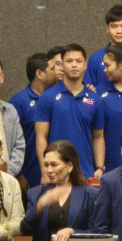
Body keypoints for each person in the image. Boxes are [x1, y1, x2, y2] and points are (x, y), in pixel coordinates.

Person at [33, 44, 105, 180]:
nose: (74, 65)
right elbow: (41, 136)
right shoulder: (47, 97)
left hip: (86, 173)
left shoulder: (96, 99)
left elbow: (98, 136)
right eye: (69, 61)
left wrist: (100, 168)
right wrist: (44, 170)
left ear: (85, 65)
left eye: (78, 61)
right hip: (55, 173)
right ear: (62, 65)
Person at [20, 141, 97, 241]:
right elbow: (25, 230)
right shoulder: (36, 193)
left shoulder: (89, 194)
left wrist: (73, 231)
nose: (49, 170)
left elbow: (97, 232)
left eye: (54, 165)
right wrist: (39, 207)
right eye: (46, 165)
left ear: (70, 166)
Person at [10, 50, 62, 187]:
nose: (57, 71)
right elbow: (12, 140)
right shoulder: (18, 102)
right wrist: (20, 174)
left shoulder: (58, 98)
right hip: (30, 175)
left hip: (58, 173)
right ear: (39, 74)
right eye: (52, 68)